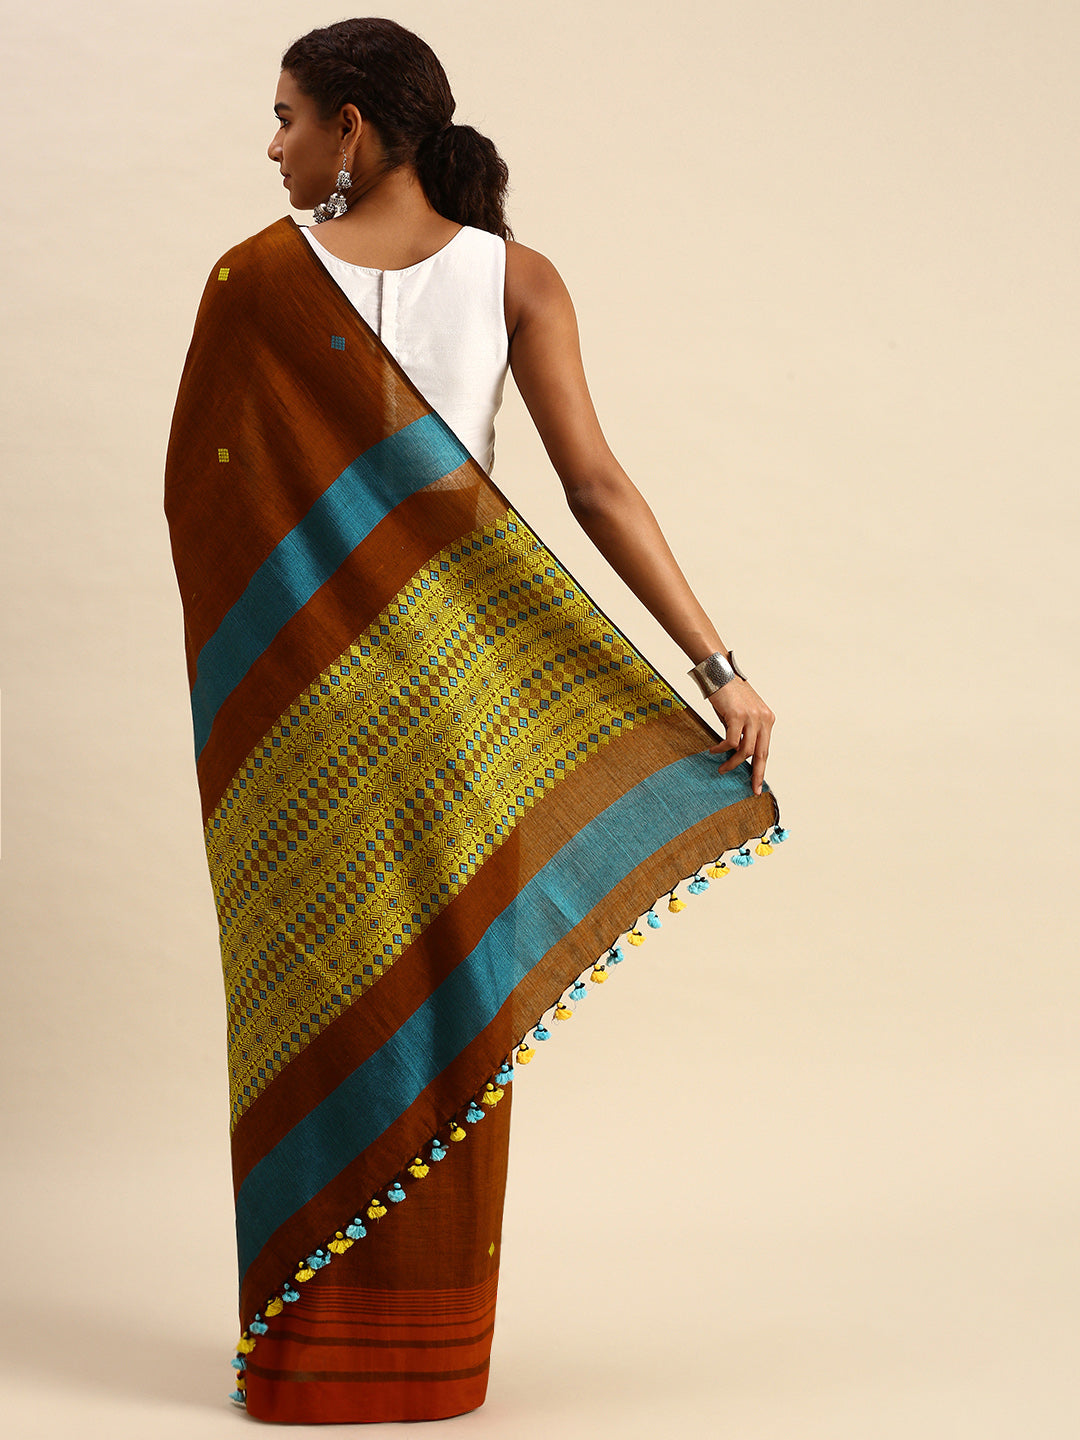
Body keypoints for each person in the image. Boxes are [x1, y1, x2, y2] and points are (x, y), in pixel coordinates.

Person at [163, 16, 783, 1425]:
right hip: (461, 707)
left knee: (318, 1003)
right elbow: (597, 485)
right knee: (448, 1011)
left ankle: (320, 1356)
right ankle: (422, 1359)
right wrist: (719, 668)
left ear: (354, 130)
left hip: (305, 710)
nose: (273, 144)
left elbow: (203, 503)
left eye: (287, 116)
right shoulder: (512, 276)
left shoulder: (255, 284)